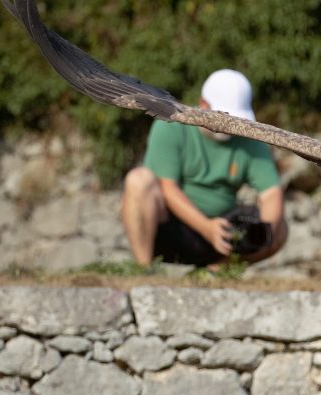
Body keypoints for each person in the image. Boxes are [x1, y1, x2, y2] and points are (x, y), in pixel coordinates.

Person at [120, 68, 288, 268]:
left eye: (235, 119)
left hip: (223, 234)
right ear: (203, 105)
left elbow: (271, 193)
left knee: (278, 229)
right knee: (138, 181)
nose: (229, 125)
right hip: (171, 230)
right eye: (225, 117)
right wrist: (206, 227)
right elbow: (167, 187)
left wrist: (261, 232)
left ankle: (216, 271)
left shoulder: (251, 138)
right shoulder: (171, 125)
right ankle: (144, 271)